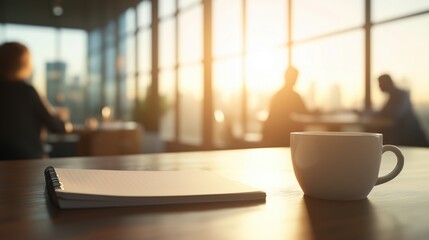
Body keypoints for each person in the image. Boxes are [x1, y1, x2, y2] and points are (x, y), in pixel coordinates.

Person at [0, 42, 67, 160]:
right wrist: (60, 118)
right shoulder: (27, 92)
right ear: (24, 64)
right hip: (28, 163)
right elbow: (57, 128)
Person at [373, 74, 428, 147]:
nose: (379, 87)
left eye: (380, 84)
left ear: (387, 83)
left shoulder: (401, 95)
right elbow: (383, 113)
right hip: (402, 136)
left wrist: (370, 114)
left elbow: (394, 114)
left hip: (410, 137)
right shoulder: (394, 96)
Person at [262, 66, 308, 147]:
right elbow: (305, 112)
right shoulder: (293, 96)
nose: (295, 80)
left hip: (272, 136)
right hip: (283, 137)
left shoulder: (278, 95)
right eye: (295, 77)